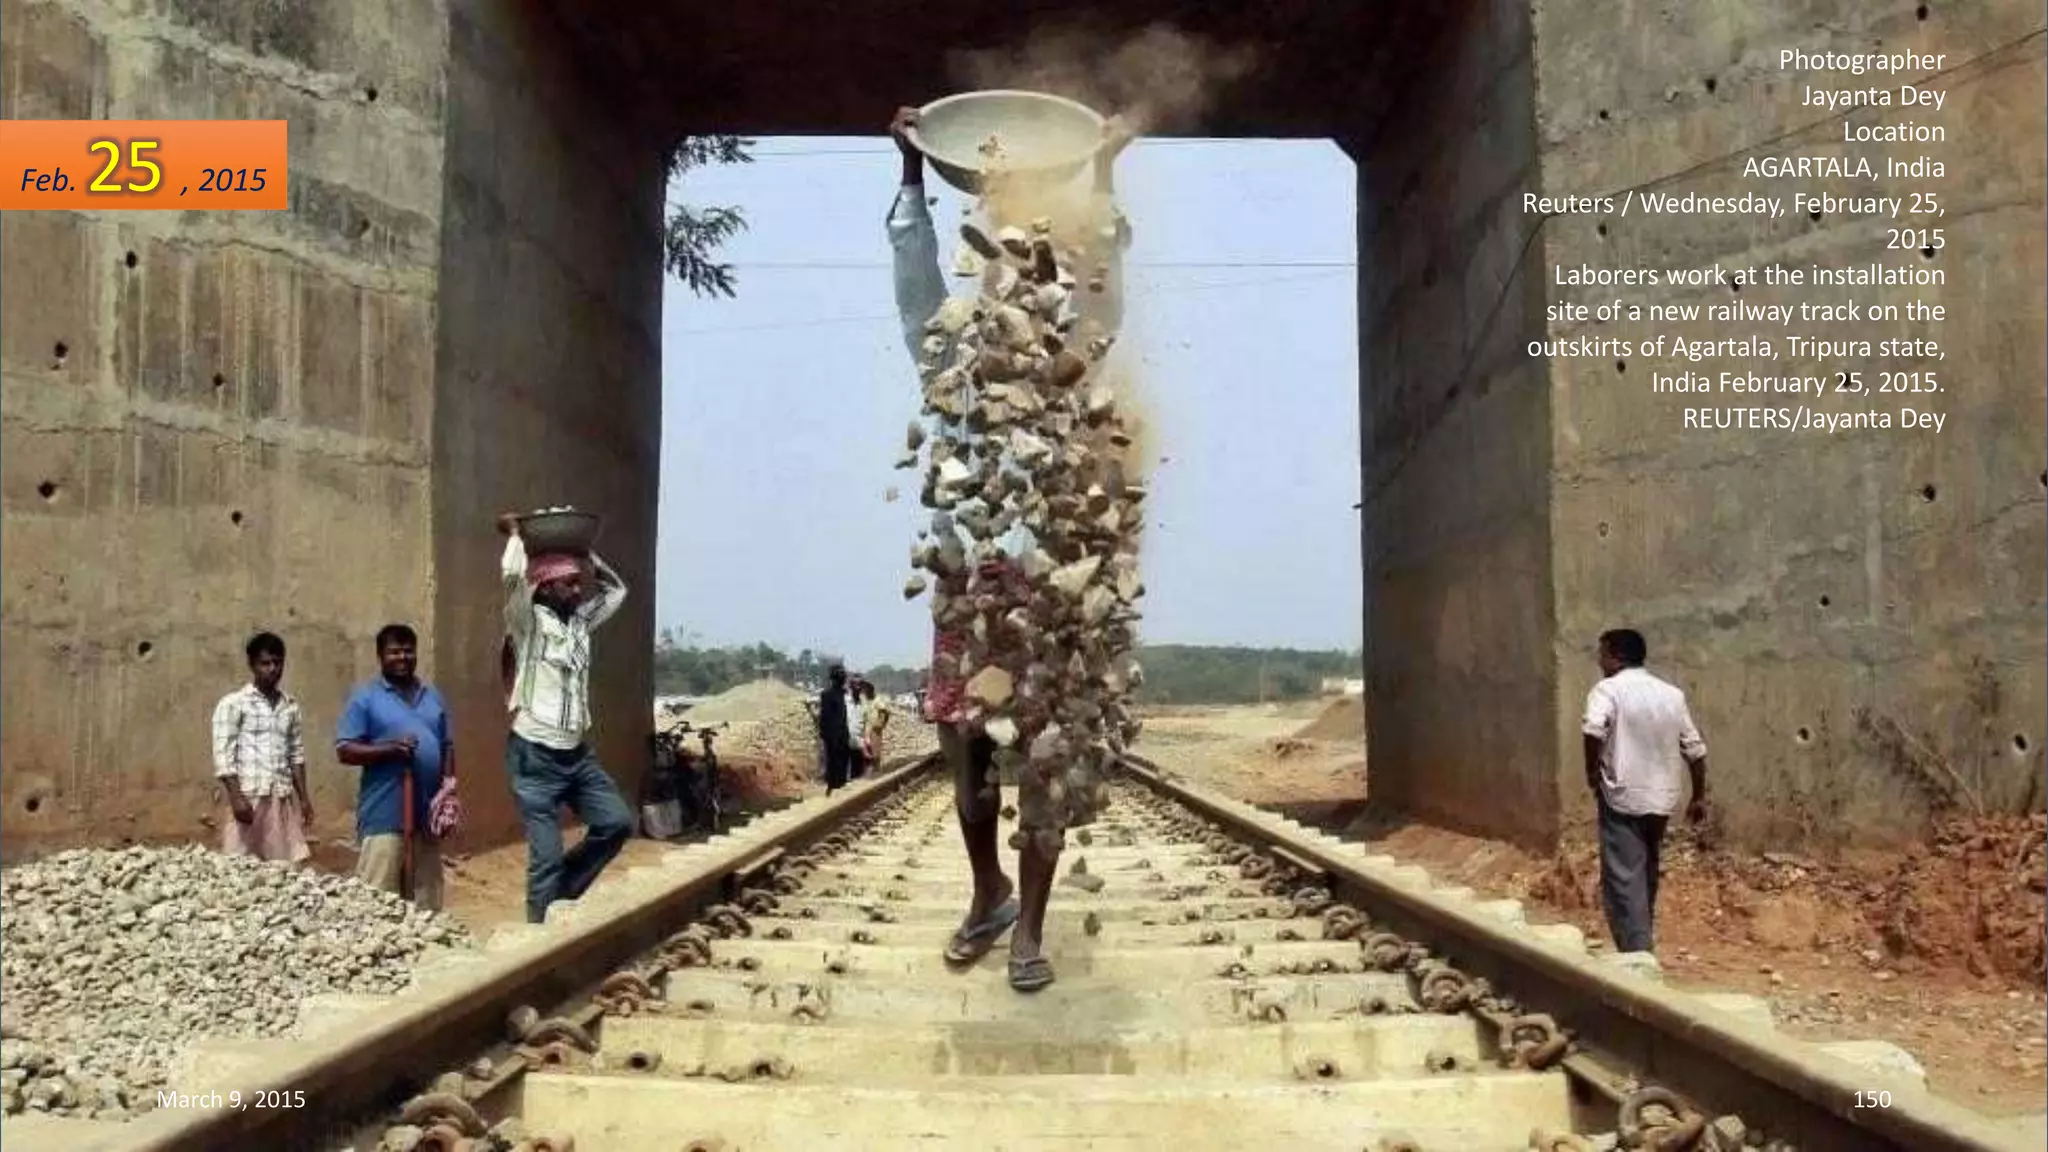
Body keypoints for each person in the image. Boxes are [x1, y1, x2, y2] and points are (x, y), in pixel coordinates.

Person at [890, 103, 1133, 992]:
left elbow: (1104, 285)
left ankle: (1028, 927)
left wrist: (1102, 172)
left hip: (1053, 598)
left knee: (1045, 775)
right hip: (968, 593)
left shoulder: (1071, 363)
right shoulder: (944, 356)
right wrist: (912, 174)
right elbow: (914, 279)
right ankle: (986, 889)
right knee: (969, 780)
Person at [498, 513, 636, 924]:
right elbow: (510, 578)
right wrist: (517, 537)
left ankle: (562, 894)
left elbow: (617, 592)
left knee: (616, 823)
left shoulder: (580, 623)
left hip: (576, 756)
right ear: (545, 586)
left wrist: (587, 555)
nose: (578, 590)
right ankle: (536, 941)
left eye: (579, 582)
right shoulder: (527, 623)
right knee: (546, 857)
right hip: (535, 757)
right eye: (569, 583)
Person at [1581, 628, 1710, 955]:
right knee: (1646, 871)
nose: (1599, 661)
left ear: (1616, 657)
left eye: (1603, 654)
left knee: (1623, 878)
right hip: (1662, 798)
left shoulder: (1607, 690)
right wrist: (1698, 796)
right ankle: (1642, 939)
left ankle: (1637, 955)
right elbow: (1695, 750)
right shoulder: (1671, 695)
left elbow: (1593, 729)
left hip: (1622, 796)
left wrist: (1592, 772)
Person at [335, 624, 452, 910]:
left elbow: (447, 745)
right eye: (394, 651)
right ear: (380, 656)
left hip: (427, 815)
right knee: (379, 898)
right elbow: (345, 749)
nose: (402, 657)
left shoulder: (432, 696)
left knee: (427, 898)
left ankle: (431, 952)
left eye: (408, 651)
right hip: (385, 814)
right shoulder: (367, 698)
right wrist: (390, 749)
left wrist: (449, 787)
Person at [211, 632, 313, 864]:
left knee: (283, 867)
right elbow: (223, 754)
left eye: (278, 662)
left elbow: (295, 754)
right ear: (252, 665)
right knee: (239, 864)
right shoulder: (234, 704)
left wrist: (304, 798)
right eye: (265, 663)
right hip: (250, 795)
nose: (272, 669)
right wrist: (236, 797)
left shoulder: (290, 706)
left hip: (281, 795)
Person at [818, 664, 856, 793]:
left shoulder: (844, 695)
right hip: (835, 735)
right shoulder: (828, 695)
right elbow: (825, 717)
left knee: (841, 761)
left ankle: (838, 784)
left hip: (841, 734)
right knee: (835, 761)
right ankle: (834, 785)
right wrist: (826, 735)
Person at [859, 680, 892, 769]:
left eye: (866, 690)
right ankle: (870, 768)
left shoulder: (877, 700)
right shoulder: (865, 701)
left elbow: (885, 712)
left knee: (875, 749)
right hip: (866, 728)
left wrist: (881, 724)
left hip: (875, 729)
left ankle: (876, 768)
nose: (865, 692)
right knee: (867, 749)